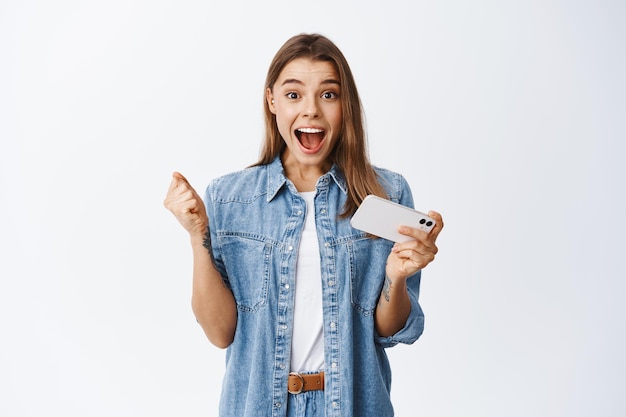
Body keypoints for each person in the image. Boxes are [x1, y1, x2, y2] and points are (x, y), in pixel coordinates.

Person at [164, 33, 443, 417]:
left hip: (353, 406)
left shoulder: (387, 193)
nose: (311, 110)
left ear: (345, 105)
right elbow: (219, 332)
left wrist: (396, 277)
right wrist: (198, 237)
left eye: (328, 94)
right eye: (294, 95)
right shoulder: (228, 198)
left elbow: (388, 331)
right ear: (272, 101)